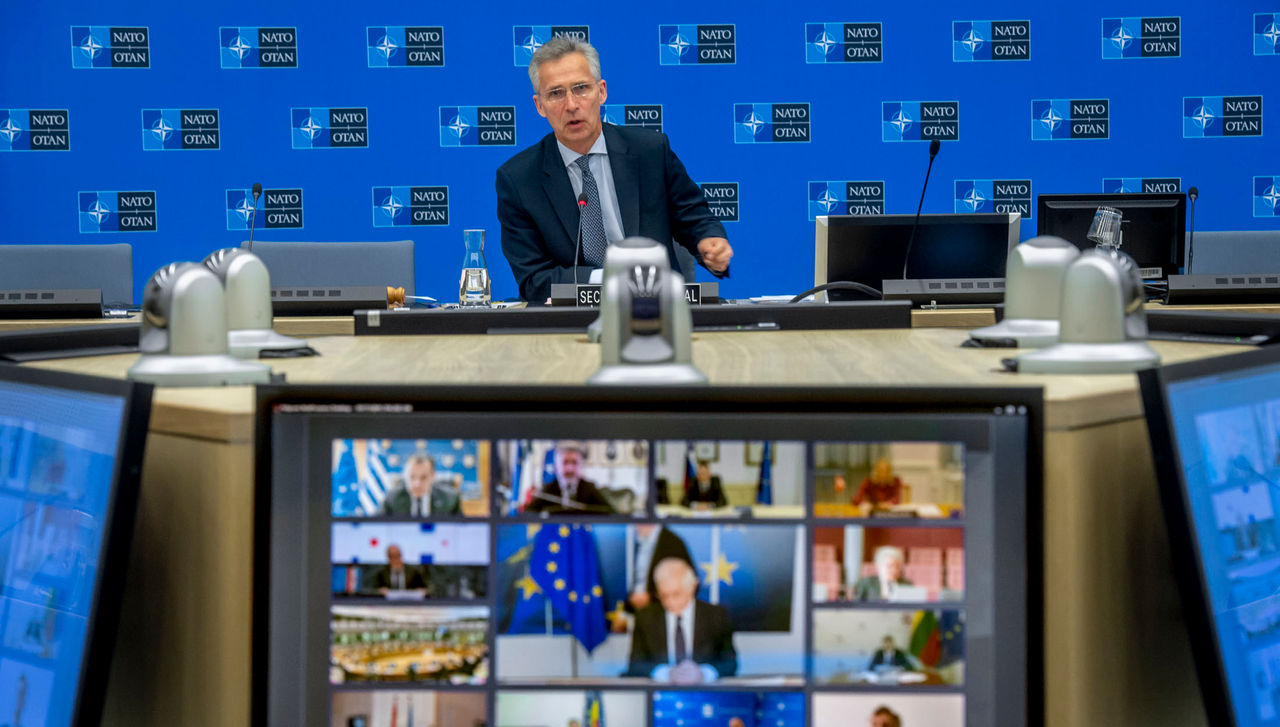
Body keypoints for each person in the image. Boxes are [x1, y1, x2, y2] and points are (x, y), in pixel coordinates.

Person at [496, 36, 733, 303]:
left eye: (581, 88)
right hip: (570, 317)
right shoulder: (518, 180)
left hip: (659, 306)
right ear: (540, 106)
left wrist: (709, 240)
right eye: (556, 93)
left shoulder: (650, 151)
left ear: (602, 91)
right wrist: (612, 279)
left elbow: (693, 216)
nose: (571, 104)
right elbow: (533, 279)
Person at [626, 557, 737, 682]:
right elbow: (635, 664)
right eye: (664, 595)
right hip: (659, 694)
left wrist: (703, 673)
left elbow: (730, 663)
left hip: (706, 695)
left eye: (676, 594)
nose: (670, 602)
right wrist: (665, 673)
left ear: (692, 587)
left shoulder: (716, 615)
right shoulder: (645, 617)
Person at [526, 443, 614, 514]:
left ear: (580, 466)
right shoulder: (548, 489)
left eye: (574, 463)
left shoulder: (589, 488)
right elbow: (529, 513)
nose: (570, 468)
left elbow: (610, 511)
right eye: (565, 462)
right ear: (557, 466)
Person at [379, 454, 462, 516]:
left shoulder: (450, 498)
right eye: (412, 477)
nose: (417, 484)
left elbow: (461, 530)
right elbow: (374, 525)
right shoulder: (393, 497)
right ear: (405, 476)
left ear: (433, 476)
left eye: (424, 477)